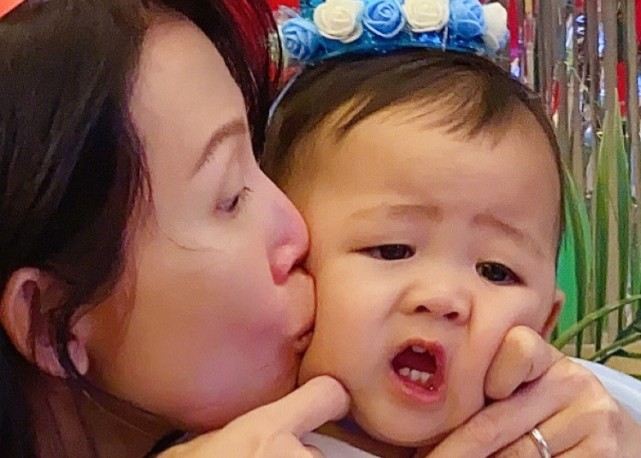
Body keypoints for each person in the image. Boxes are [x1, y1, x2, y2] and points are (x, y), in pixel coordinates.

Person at [1, 0, 640, 457]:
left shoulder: (574, 410)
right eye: (230, 196)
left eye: (496, 270)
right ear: (52, 321)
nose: (299, 231)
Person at [261, 1, 641, 456]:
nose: (443, 298)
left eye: (496, 271)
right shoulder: (242, 443)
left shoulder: (598, 423)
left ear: (543, 325)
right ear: (287, 267)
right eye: (393, 249)